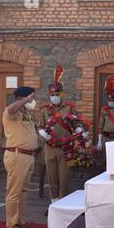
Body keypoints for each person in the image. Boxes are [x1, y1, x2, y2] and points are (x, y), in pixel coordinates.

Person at [38, 66, 87, 206]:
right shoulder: (44, 110)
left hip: (66, 148)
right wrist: (42, 133)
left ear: (62, 94)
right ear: (49, 95)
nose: (54, 97)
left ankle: (63, 203)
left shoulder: (69, 108)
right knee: (52, 178)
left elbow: (77, 122)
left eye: (57, 94)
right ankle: (54, 203)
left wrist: (78, 129)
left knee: (64, 179)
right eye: (52, 95)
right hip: (49, 147)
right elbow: (39, 125)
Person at [3, 86, 38, 228]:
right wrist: (25, 100)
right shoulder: (12, 111)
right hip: (17, 155)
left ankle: (21, 221)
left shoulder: (25, 113)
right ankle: (11, 224)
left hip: (28, 156)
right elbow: (11, 109)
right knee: (14, 192)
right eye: (32, 97)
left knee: (23, 191)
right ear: (22, 98)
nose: (33, 100)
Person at [96, 75, 114, 150]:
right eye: (109, 100)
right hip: (105, 138)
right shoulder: (104, 109)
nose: (110, 102)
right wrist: (99, 141)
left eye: (112, 100)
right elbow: (100, 126)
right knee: (104, 159)